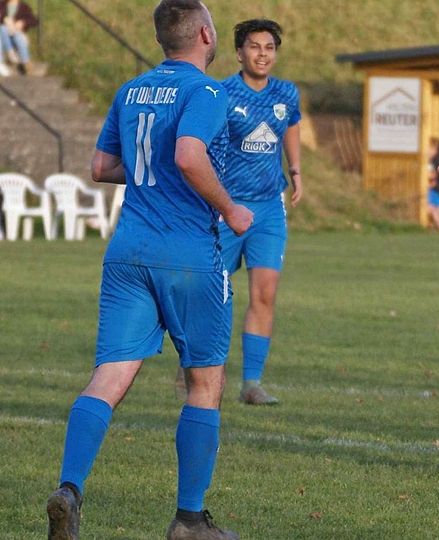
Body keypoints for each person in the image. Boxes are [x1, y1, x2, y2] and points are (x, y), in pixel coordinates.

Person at [45, 1, 251, 539]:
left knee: (110, 376)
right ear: (206, 34)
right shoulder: (208, 92)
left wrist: (149, 176)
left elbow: (101, 167)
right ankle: (189, 522)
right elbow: (188, 155)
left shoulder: (131, 90)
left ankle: (69, 488)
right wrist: (229, 208)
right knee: (205, 382)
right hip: (187, 254)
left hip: (128, 250)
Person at [211, 18, 302, 406]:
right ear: (239, 53)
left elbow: (291, 127)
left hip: (269, 210)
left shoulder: (286, 93)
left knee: (264, 294)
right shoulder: (222, 94)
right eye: (254, 46)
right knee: (214, 293)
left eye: (269, 47)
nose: (262, 54)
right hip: (228, 210)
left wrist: (296, 171)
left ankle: (251, 383)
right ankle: (197, 368)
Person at [0, 0, 38, 75]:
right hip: (3, 37)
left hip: (16, 35)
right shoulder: (2, 4)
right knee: (3, 28)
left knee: (18, 37)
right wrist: (4, 19)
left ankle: (26, 62)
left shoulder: (23, 6)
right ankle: (11, 53)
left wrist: (22, 22)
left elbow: (34, 20)